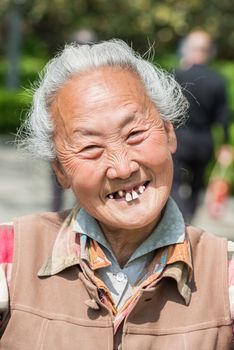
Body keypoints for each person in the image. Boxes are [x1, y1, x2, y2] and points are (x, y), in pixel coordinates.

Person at [0, 40, 233, 349]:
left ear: (169, 133)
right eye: (90, 148)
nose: (122, 168)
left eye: (135, 134)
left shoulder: (226, 275)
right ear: (60, 170)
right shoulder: (9, 259)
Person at [171, 30, 230, 221]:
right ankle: (189, 215)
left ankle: (180, 217)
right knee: (196, 184)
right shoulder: (218, 80)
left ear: (187, 49)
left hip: (180, 138)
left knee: (175, 181)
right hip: (205, 140)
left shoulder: (177, 76)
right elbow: (223, 116)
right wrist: (226, 144)